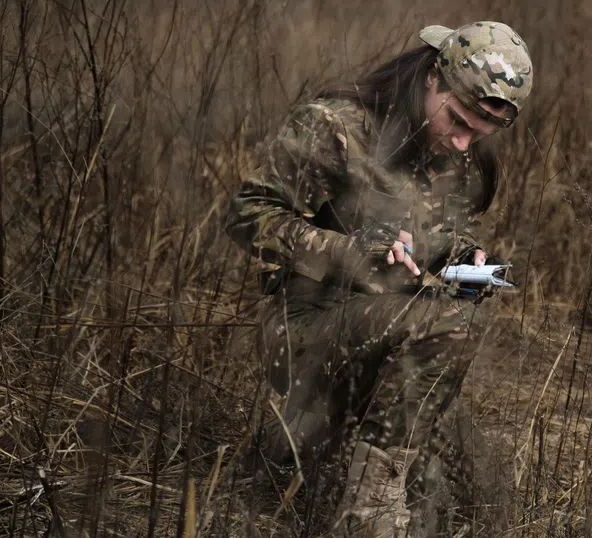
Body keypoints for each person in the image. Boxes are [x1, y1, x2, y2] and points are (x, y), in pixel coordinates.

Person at [223, 20, 533, 537]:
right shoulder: (337, 126)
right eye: (457, 119)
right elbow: (246, 215)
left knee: (476, 486)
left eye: (478, 133)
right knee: (450, 325)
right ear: (433, 77)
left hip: (387, 323)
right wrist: (349, 252)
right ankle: (368, 520)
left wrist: (468, 258)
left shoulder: (459, 158)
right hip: (300, 328)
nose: (462, 142)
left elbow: (441, 236)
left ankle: (300, 453)